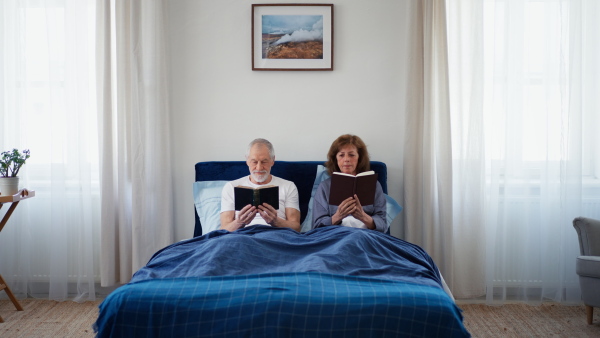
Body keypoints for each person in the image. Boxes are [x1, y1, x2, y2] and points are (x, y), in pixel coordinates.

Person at [220, 138, 301, 232]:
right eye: (254, 162)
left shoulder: (288, 186)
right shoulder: (231, 187)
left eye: (264, 162)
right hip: (243, 236)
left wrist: (276, 222)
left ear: (272, 160)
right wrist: (239, 222)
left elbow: (296, 227)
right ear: (247, 160)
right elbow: (223, 230)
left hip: (275, 235)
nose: (259, 168)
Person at [311, 134, 387, 232]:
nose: (346, 159)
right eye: (341, 155)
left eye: (351, 155)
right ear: (336, 159)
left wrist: (363, 216)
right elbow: (317, 226)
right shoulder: (325, 186)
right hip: (336, 235)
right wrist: (338, 216)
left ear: (359, 158)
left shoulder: (374, 184)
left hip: (366, 235)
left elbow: (383, 225)